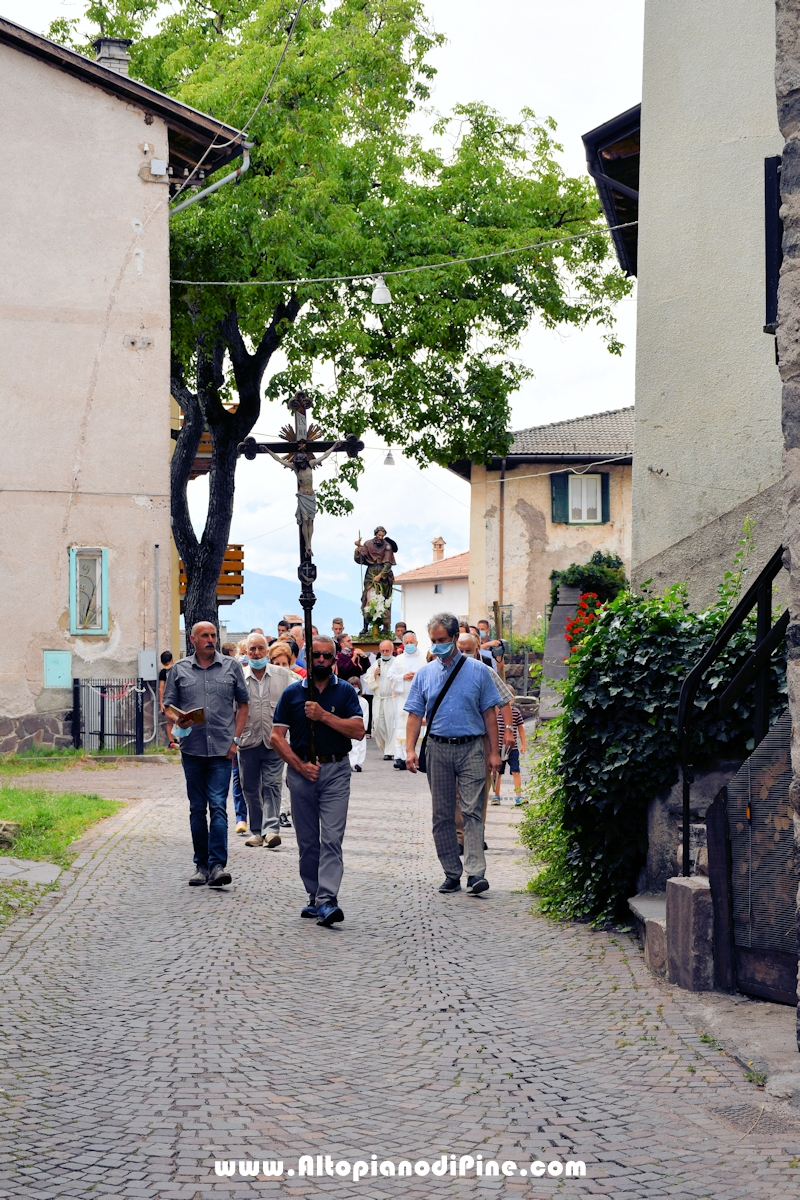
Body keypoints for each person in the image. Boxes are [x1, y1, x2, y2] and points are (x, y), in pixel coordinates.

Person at [404, 613, 502, 896]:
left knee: (472, 811)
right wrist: (410, 749)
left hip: (471, 747)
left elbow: (489, 714)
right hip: (437, 748)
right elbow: (414, 714)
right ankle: (451, 872)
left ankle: (475, 873)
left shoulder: (479, 671)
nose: (437, 646)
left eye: (442, 641)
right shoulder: (424, 674)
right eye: (433, 641)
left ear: (455, 639)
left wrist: (494, 752)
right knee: (442, 815)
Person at [270, 635, 365, 926]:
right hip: (302, 775)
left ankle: (327, 899)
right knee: (308, 842)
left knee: (332, 839)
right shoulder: (291, 694)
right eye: (316, 656)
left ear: (334, 660)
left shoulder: (345, 692)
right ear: (308, 660)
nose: (322, 660)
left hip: (336, 771)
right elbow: (276, 737)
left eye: (327, 656)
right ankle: (314, 895)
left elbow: (359, 730)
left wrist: (323, 716)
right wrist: (299, 766)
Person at [163, 621, 249, 888]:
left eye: (213, 635)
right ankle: (200, 865)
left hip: (223, 750)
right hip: (193, 749)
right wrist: (179, 719)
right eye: (205, 636)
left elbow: (244, 705)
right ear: (193, 639)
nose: (210, 639)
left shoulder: (231, 667)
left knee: (218, 808)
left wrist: (235, 740)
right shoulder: (178, 670)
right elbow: (167, 707)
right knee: (197, 809)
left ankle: (217, 865)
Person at [237, 631, 292, 849]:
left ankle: (271, 830)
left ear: (267, 652)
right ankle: (256, 831)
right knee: (250, 787)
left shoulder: (281, 675)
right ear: (246, 652)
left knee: (272, 784)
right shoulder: (239, 676)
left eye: (260, 648)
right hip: (248, 740)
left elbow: (290, 706)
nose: (257, 652)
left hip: (274, 740)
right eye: (252, 649)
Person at [389, 631, 421, 768]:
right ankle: (401, 757)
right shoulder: (398, 659)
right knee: (401, 727)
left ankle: (419, 755)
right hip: (403, 699)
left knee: (419, 727)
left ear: (416, 643)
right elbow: (390, 677)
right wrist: (403, 677)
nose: (409, 645)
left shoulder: (423, 659)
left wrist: (418, 676)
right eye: (406, 643)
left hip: (420, 699)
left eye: (411, 643)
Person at [363, 640, 397, 759]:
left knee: (391, 725)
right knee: (379, 726)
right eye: (382, 651)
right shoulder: (377, 663)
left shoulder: (396, 663)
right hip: (379, 699)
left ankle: (390, 751)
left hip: (391, 698)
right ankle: (386, 746)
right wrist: (374, 675)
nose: (385, 653)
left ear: (392, 650)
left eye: (387, 650)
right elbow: (367, 680)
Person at [494, 703, 527, 806]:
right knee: (498, 773)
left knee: (515, 771)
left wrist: (524, 744)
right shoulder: (496, 712)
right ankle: (496, 796)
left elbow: (521, 729)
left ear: (512, 699)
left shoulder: (516, 712)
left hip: (513, 748)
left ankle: (518, 796)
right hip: (499, 748)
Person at [348, 677, 369, 773]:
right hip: (349, 727)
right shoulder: (346, 700)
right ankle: (352, 763)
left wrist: (363, 728)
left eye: (356, 687)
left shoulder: (363, 701)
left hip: (360, 727)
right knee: (352, 746)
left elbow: (365, 715)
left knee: (360, 746)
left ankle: (358, 763)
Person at [157, 651, 177, 749]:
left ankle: (172, 741)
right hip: (176, 698)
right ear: (172, 660)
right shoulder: (176, 669)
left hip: (167, 699)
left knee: (170, 721)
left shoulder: (162, 672)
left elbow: (161, 688)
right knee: (177, 720)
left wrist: (161, 702)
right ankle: (176, 741)